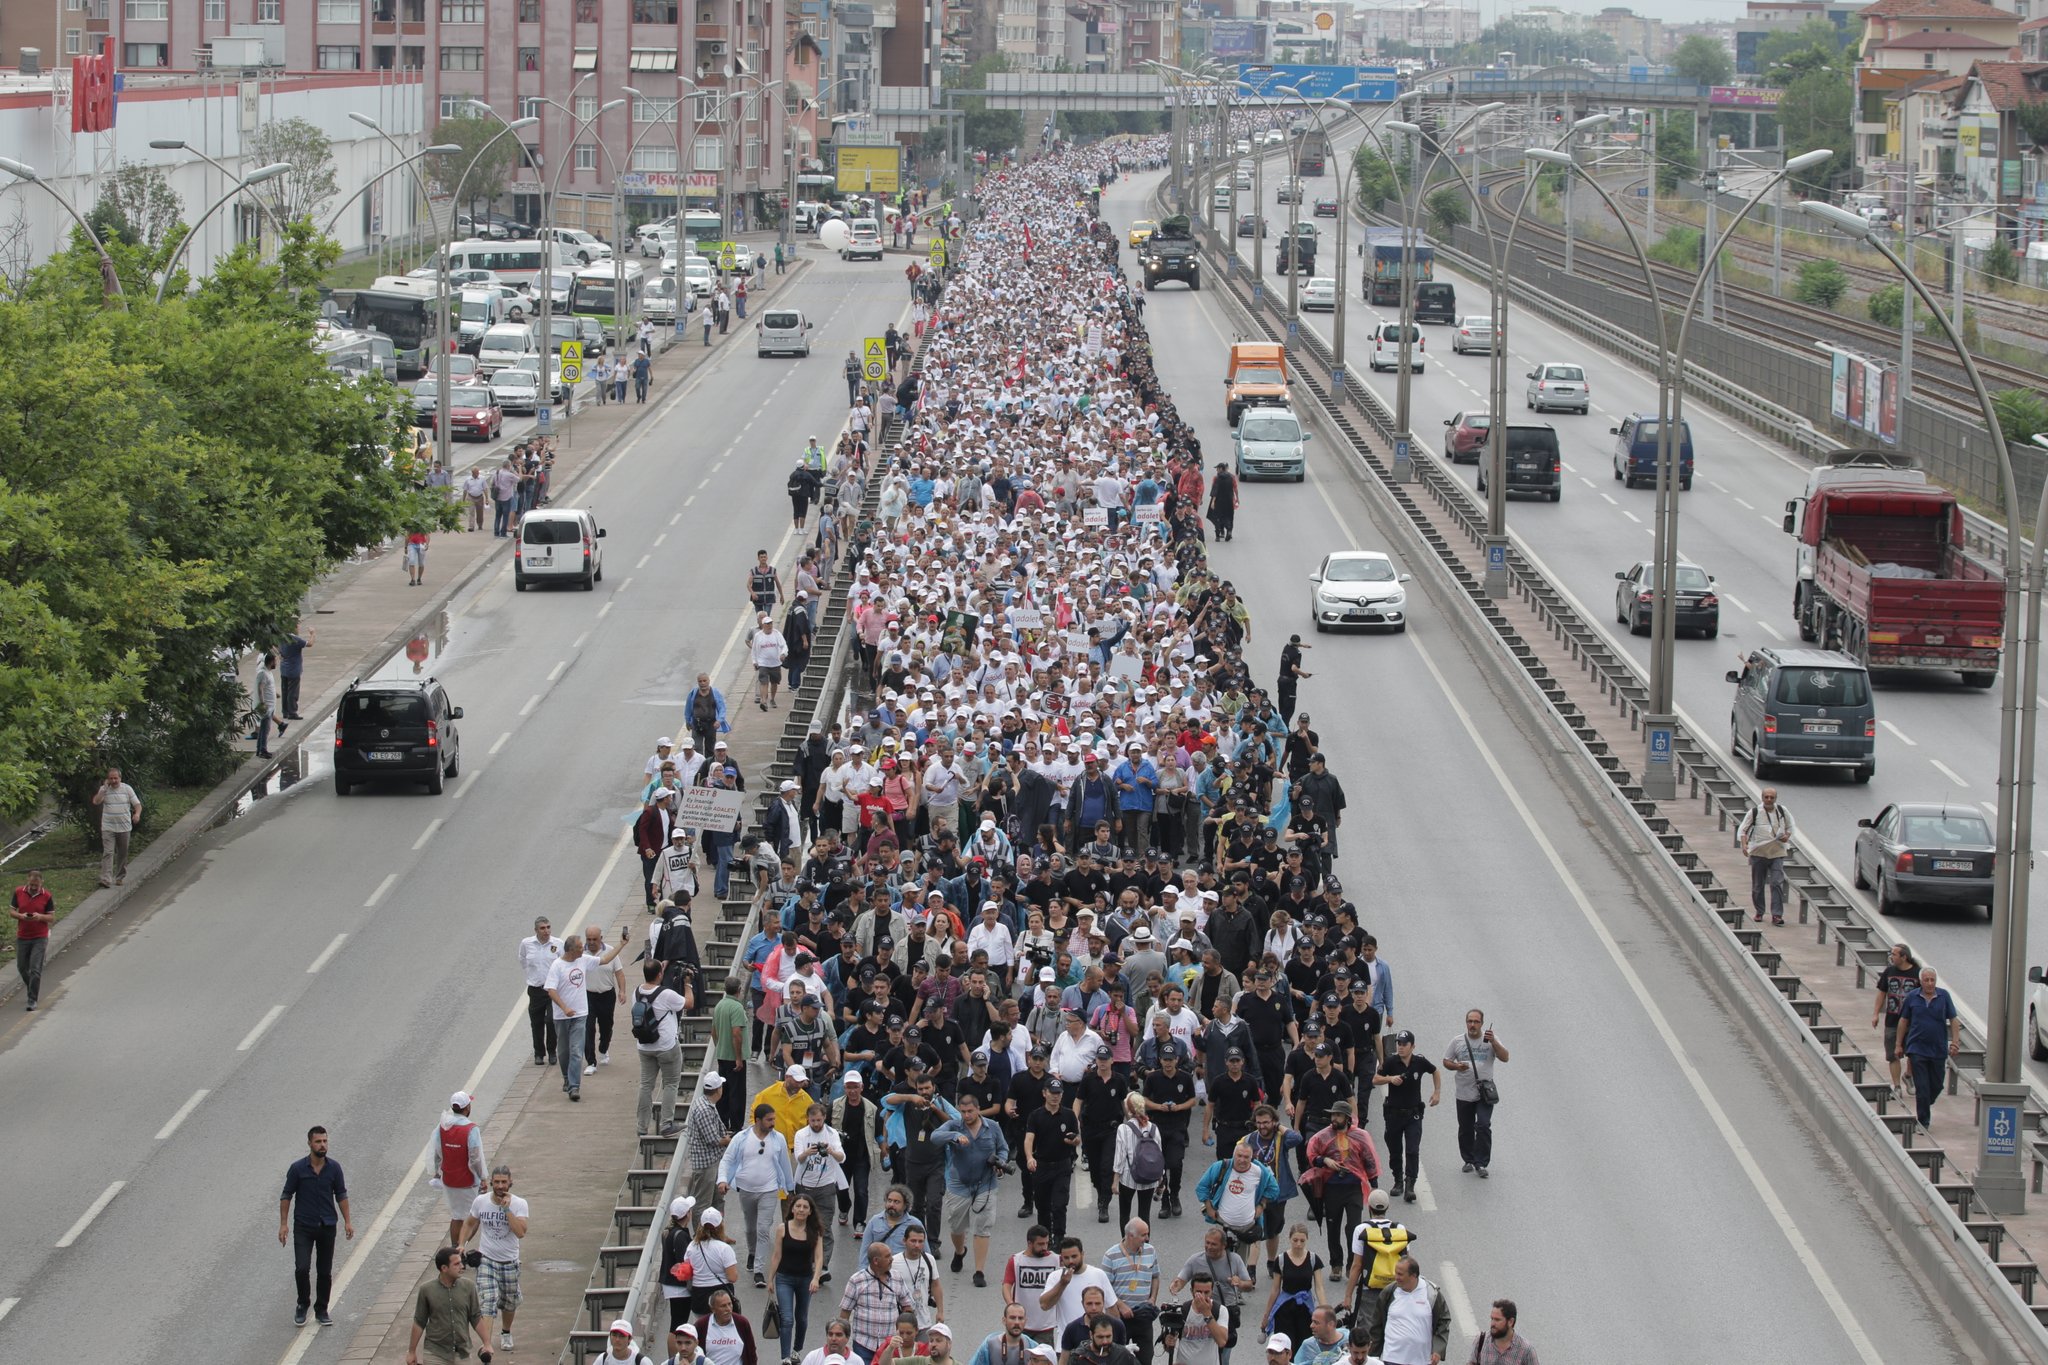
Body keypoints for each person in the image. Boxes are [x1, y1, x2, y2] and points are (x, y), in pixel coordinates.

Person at [930, 1088, 1008, 1283]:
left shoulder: (992, 1127)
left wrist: (1000, 1162)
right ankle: (959, 1251)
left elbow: (1003, 1148)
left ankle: (979, 1271)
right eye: (963, 1112)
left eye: (970, 1111)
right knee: (956, 1226)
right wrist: (954, 1136)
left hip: (986, 1184)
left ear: (978, 1109)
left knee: (983, 1226)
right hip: (959, 1184)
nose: (967, 1115)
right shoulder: (954, 1125)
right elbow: (934, 1137)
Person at [279, 1125, 354, 1327]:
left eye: (325, 1141)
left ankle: (321, 1309)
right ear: (310, 1144)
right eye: (318, 1141)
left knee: (324, 1271)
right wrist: (283, 1224)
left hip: (327, 1226)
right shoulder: (297, 1169)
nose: (322, 1145)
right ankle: (302, 1304)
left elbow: (341, 1194)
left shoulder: (334, 1168)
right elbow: (286, 1196)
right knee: (302, 1268)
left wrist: (347, 1221)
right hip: (304, 1226)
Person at [719, 1103, 797, 1286]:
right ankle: (752, 1253)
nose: (773, 1123)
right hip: (746, 1190)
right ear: (758, 1120)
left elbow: (785, 1165)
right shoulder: (741, 1138)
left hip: (769, 1191)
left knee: (763, 1229)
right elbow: (727, 1160)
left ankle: (759, 1270)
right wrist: (722, 1180)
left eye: (774, 1119)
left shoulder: (778, 1139)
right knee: (750, 1228)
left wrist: (790, 1188)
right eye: (769, 1120)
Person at [461, 1165, 530, 1355]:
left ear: (510, 1183)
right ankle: (487, 1345)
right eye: (497, 1182)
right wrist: (461, 1244)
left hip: (509, 1262)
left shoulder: (519, 1204)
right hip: (486, 1260)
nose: (500, 1186)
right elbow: (470, 1223)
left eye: (504, 1182)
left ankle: (506, 1332)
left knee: (509, 1302)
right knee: (488, 1301)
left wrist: (506, 1210)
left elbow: (521, 1232)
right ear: (491, 1182)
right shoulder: (480, 1201)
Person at [1300, 1105, 1377, 1273]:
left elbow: (1369, 1160)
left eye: (1338, 1115)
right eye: (1333, 1114)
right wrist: (1325, 1161)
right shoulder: (1323, 1136)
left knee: (1354, 1228)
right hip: (1332, 1188)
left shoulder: (1360, 1136)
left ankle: (1352, 1265)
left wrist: (1375, 1186)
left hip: (1354, 1188)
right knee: (1333, 1227)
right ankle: (1336, 1264)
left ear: (1347, 1118)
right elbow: (1312, 1156)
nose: (1334, 1118)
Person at [1371, 1032, 1438, 1204]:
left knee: (1412, 1150)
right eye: (1398, 1043)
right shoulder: (1391, 1062)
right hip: (1394, 1114)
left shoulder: (1419, 1062)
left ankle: (1410, 1185)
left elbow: (1435, 1071)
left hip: (1413, 1115)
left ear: (1412, 1046)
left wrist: (1436, 1092)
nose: (1400, 1046)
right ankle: (1398, 1181)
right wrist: (1390, 1079)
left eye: (1404, 1044)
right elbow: (1375, 1079)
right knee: (1395, 1150)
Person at [1440, 1011, 1507, 1178]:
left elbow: (1505, 1057)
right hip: (1464, 1092)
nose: (1472, 1025)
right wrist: (1456, 1066)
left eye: (1476, 1022)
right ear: (1465, 1023)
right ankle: (1468, 1160)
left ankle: (1481, 1163)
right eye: (1470, 1021)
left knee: (1483, 1125)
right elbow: (1446, 1061)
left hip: (1484, 1093)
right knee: (1465, 1128)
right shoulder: (1457, 1041)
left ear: (1482, 1024)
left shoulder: (1490, 1040)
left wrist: (1493, 1042)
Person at [1896, 966, 1960, 1133]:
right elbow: (1903, 1021)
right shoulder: (1912, 997)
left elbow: (1953, 1020)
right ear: (1921, 981)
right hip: (1917, 1048)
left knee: (1937, 1085)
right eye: (1926, 980)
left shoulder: (1944, 996)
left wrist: (1955, 1042)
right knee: (1922, 1087)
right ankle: (1923, 1122)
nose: (1930, 983)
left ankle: (1925, 1102)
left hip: (1938, 1049)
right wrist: (1898, 1044)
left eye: (1932, 980)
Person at [635, 960, 692, 1137]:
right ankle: (666, 1125)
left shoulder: (637, 992)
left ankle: (642, 1126)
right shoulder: (666, 994)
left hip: (645, 1046)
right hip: (666, 1046)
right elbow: (689, 1003)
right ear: (660, 974)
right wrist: (687, 984)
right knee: (671, 1083)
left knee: (646, 1085)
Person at [768, 1191, 828, 1356]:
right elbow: (776, 1255)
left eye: (805, 1207)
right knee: (787, 1319)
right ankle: (785, 1357)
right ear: (792, 1209)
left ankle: (797, 1349)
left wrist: (816, 1278)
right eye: (798, 1206)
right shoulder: (782, 1229)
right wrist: (770, 1279)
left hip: (805, 1279)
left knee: (801, 1318)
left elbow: (818, 1257)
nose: (801, 1209)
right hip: (784, 1278)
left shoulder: (815, 1232)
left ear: (810, 1211)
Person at [1342, 1190, 1411, 1332]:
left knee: (1368, 1332)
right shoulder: (1399, 1229)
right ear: (1387, 1207)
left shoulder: (1362, 1229)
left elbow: (1356, 1266)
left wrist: (1348, 1296)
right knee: (1395, 1330)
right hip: (1396, 1289)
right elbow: (1407, 1263)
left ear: (1369, 1207)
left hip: (1370, 1289)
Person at [428, 1090, 488, 1250]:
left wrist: (437, 1172)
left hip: (449, 1179)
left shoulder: (443, 1126)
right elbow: (475, 1157)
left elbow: (437, 1152)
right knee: (474, 1217)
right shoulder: (471, 1129)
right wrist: (483, 1177)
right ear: (467, 1107)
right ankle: (461, 1247)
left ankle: (455, 1247)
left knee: (456, 1216)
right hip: (468, 1180)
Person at [407, 1246, 485, 1365]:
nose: (462, 1267)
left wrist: (487, 1343)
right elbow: (419, 1322)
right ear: (444, 1268)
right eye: (457, 1264)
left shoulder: (468, 1287)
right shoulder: (426, 1290)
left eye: (461, 1263)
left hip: (462, 1352)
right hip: (435, 1353)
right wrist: (411, 1352)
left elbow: (476, 1317)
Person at [1024, 1078, 1080, 1237]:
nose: (1055, 1097)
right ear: (1044, 1093)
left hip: (1062, 1166)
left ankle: (1060, 1238)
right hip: (1042, 1166)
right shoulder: (1035, 1116)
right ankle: (1045, 1238)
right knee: (1042, 1206)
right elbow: (1029, 1139)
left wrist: (1073, 1140)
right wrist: (1029, 1157)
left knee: (1059, 1205)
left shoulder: (1069, 1115)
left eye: (1058, 1093)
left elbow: (1077, 1140)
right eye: (1052, 1093)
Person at [1363, 1258, 1448, 1365]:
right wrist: (1372, 1356)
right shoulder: (1389, 1293)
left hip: (1421, 1360)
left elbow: (1443, 1321)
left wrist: (1438, 1350)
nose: (1396, 1277)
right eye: (1396, 1273)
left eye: (1400, 1274)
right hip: (1392, 1358)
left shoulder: (1431, 1293)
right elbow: (1376, 1327)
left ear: (1413, 1275)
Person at [838, 1241, 910, 1365]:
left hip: (889, 1343)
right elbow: (845, 1314)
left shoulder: (897, 1278)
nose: (892, 1259)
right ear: (876, 1261)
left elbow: (907, 1307)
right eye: (887, 1256)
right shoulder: (856, 1280)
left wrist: (904, 1332)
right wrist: (842, 1339)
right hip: (863, 1343)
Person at [1103, 1217, 1161, 1365]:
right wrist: (1121, 1306)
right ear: (1130, 1235)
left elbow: (1155, 1277)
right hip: (1120, 1318)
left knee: (1146, 1359)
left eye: (1147, 1234)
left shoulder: (1150, 1250)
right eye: (1143, 1235)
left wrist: (1152, 1298)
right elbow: (1105, 1288)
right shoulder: (1111, 1255)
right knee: (1117, 1359)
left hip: (1143, 1316)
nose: (1147, 1238)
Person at [1040, 1235, 1119, 1342]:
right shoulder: (1055, 1277)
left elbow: (1112, 1308)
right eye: (1066, 1258)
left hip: (1097, 1343)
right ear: (1061, 1258)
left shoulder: (1098, 1274)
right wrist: (1062, 1284)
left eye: (1074, 1256)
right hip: (1067, 1344)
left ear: (1082, 1254)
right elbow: (1044, 1305)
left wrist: (1115, 1340)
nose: (1071, 1261)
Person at [1735, 787, 1795, 926]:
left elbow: (1790, 826)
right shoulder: (1755, 812)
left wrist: (1787, 836)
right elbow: (1743, 830)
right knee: (1758, 885)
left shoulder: (1782, 811)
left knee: (1776, 883)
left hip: (1777, 853)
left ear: (1775, 798)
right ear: (1762, 797)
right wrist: (1744, 846)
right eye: (1766, 797)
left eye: (1771, 797)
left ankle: (1777, 915)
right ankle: (1759, 911)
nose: (1769, 799)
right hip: (1758, 853)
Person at [1872, 942, 1920, 1103]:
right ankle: (1897, 1085)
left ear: (1904, 957)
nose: (1891, 957)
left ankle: (1909, 1075)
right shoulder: (1889, 972)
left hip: (1912, 1022)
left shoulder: (1917, 974)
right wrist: (1876, 1014)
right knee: (1893, 1054)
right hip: (1892, 1020)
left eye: (1894, 954)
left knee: (1913, 1052)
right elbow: (1881, 993)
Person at [545, 934, 591, 1101]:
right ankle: (566, 1078)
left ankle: (574, 1087)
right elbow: (551, 990)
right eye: (579, 947)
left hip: (580, 1014)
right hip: (562, 1017)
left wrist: (621, 945)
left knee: (577, 1051)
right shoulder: (557, 966)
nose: (583, 949)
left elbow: (605, 960)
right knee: (564, 1052)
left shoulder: (583, 960)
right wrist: (564, 1008)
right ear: (571, 950)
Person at [1259, 1227, 1322, 1347]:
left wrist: (1325, 1312)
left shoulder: (1313, 1259)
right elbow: (1275, 1289)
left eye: (1302, 1241)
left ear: (1307, 1240)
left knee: (1305, 1346)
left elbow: (1319, 1288)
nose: (1298, 1244)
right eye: (1295, 1240)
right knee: (1284, 1346)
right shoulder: (1281, 1260)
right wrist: (1266, 1315)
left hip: (1306, 1309)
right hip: (1285, 1309)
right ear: (1289, 1239)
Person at [582, 923, 632, 1072]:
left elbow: (619, 973)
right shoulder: (581, 953)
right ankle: (591, 1062)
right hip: (587, 996)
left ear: (601, 938)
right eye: (588, 939)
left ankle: (603, 1048)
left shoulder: (610, 951)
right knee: (588, 1028)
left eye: (594, 939)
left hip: (606, 995)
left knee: (606, 1026)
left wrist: (622, 991)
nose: (591, 942)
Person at [1113, 1093, 1166, 1228]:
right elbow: (1158, 1154)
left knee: (1125, 1214)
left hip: (1128, 1178)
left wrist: (1115, 1181)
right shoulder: (1153, 1128)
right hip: (1149, 1177)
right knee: (1144, 1215)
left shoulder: (1123, 1128)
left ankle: (1126, 1245)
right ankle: (1145, 1245)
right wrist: (1160, 1179)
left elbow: (1120, 1156)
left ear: (1128, 1109)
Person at [521, 916, 563, 1067]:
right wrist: (532, 976)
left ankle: (552, 1051)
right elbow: (523, 960)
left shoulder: (558, 944)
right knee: (536, 1022)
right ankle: (539, 1053)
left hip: (552, 989)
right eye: (542, 928)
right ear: (536, 930)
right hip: (535, 989)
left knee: (551, 1021)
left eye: (548, 927)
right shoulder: (527, 943)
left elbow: (564, 963)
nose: (546, 931)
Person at [10, 868, 54, 1011]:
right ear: (27, 881)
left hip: (39, 937)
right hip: (23, 936)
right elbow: (12, 911)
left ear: (42, 883)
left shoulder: (47, 896)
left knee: (35, 968)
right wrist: (20, 916)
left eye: (37, 885)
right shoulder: (18, 892)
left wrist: (39, 917)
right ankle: (32, 987)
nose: (34, 888)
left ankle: (32, 999)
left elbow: (51, 917)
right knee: (22, 968)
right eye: (31, 885)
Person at [91, 766, 141, 888]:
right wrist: (103, 789)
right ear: (107, 779)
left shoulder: (127, 789)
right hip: (108, 827)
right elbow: (96, 801)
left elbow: (137, 804)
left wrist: (137, 814)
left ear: (120, 778)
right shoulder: (105, 789)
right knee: (108, 852)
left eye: (115, 778)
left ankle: (119, 876)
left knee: (122, 853)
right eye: (111, 778)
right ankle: (106, 879)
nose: (113, 781)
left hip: (124, 827)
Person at [1163, 1274, 1229, 1365]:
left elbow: (1222, 1341)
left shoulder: (1220, 1310)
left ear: (1212, 1291)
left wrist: (1207, 1313)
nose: (1202, 1296)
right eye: (1198, 1292)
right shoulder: (1183, 1310)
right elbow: (1168, 1347)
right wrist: (1168, 1343)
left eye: (1206, 1292)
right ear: (1191, 1291)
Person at [696, 1287, 761, 1365]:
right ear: (713, 1309)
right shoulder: (702, 1325)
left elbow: (751, 1352)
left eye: (729, 1304)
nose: (728, 1309)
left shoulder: (742, 1323)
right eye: (723, 1306)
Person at [1470, 1300, 1537, 1365]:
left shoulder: (1526, 1351)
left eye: (1497, 1320)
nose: (1492, 1323)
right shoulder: (1480, 1341)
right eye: (1492, 1319)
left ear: (1510, 1322)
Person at [278, 626, 315, 718]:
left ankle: (285, 711)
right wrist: (312, 634)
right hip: (293, 669)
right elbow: (310, 644)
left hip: (284, 668)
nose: (298, 629)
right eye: (297, 627)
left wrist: (279, 654)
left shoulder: (282, 638)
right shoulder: (295, 639)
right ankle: (292, 712)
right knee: (293, 692)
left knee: (285, 691)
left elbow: (274, 646)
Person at [1274, 638, 1310, 726]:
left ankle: (1280, 725)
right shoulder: (1297, 653)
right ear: (1297, 644)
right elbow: (1294, 668)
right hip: (1289, 682)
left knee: (1282, 704)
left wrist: (1303, 645)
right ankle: (1285, 727)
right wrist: (1303, 674)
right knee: (1289, 707)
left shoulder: (1286, 647)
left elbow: (1293, 644)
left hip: (1281, 680)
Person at [253, 650, 281, 757]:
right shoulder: (263, 673)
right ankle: (262, 750)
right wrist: (263, 703)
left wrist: (275, 694)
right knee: (265, 729)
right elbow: (260, 689)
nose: (276, 664)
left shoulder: (268, 672)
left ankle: (259, 749)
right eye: (275, 661)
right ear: (271, 662)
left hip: (270, 705)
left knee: (266, 729)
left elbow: (269, 688)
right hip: (266, 706)